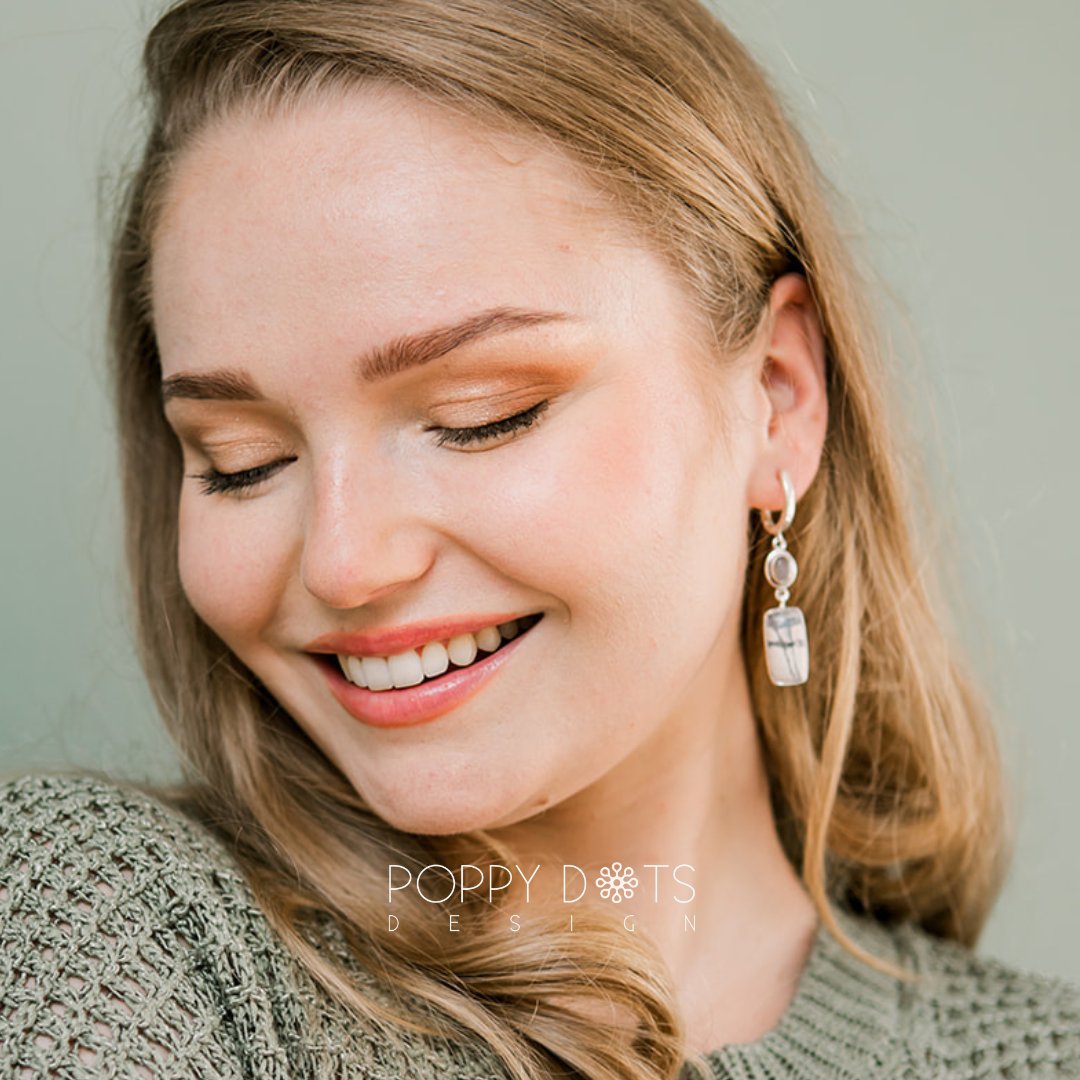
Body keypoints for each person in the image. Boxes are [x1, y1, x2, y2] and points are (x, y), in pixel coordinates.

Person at [2, 0, 1078, 1077]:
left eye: (483, 415)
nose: (342, 561)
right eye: (242, 461)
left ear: (776, 394)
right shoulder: (113, 929)